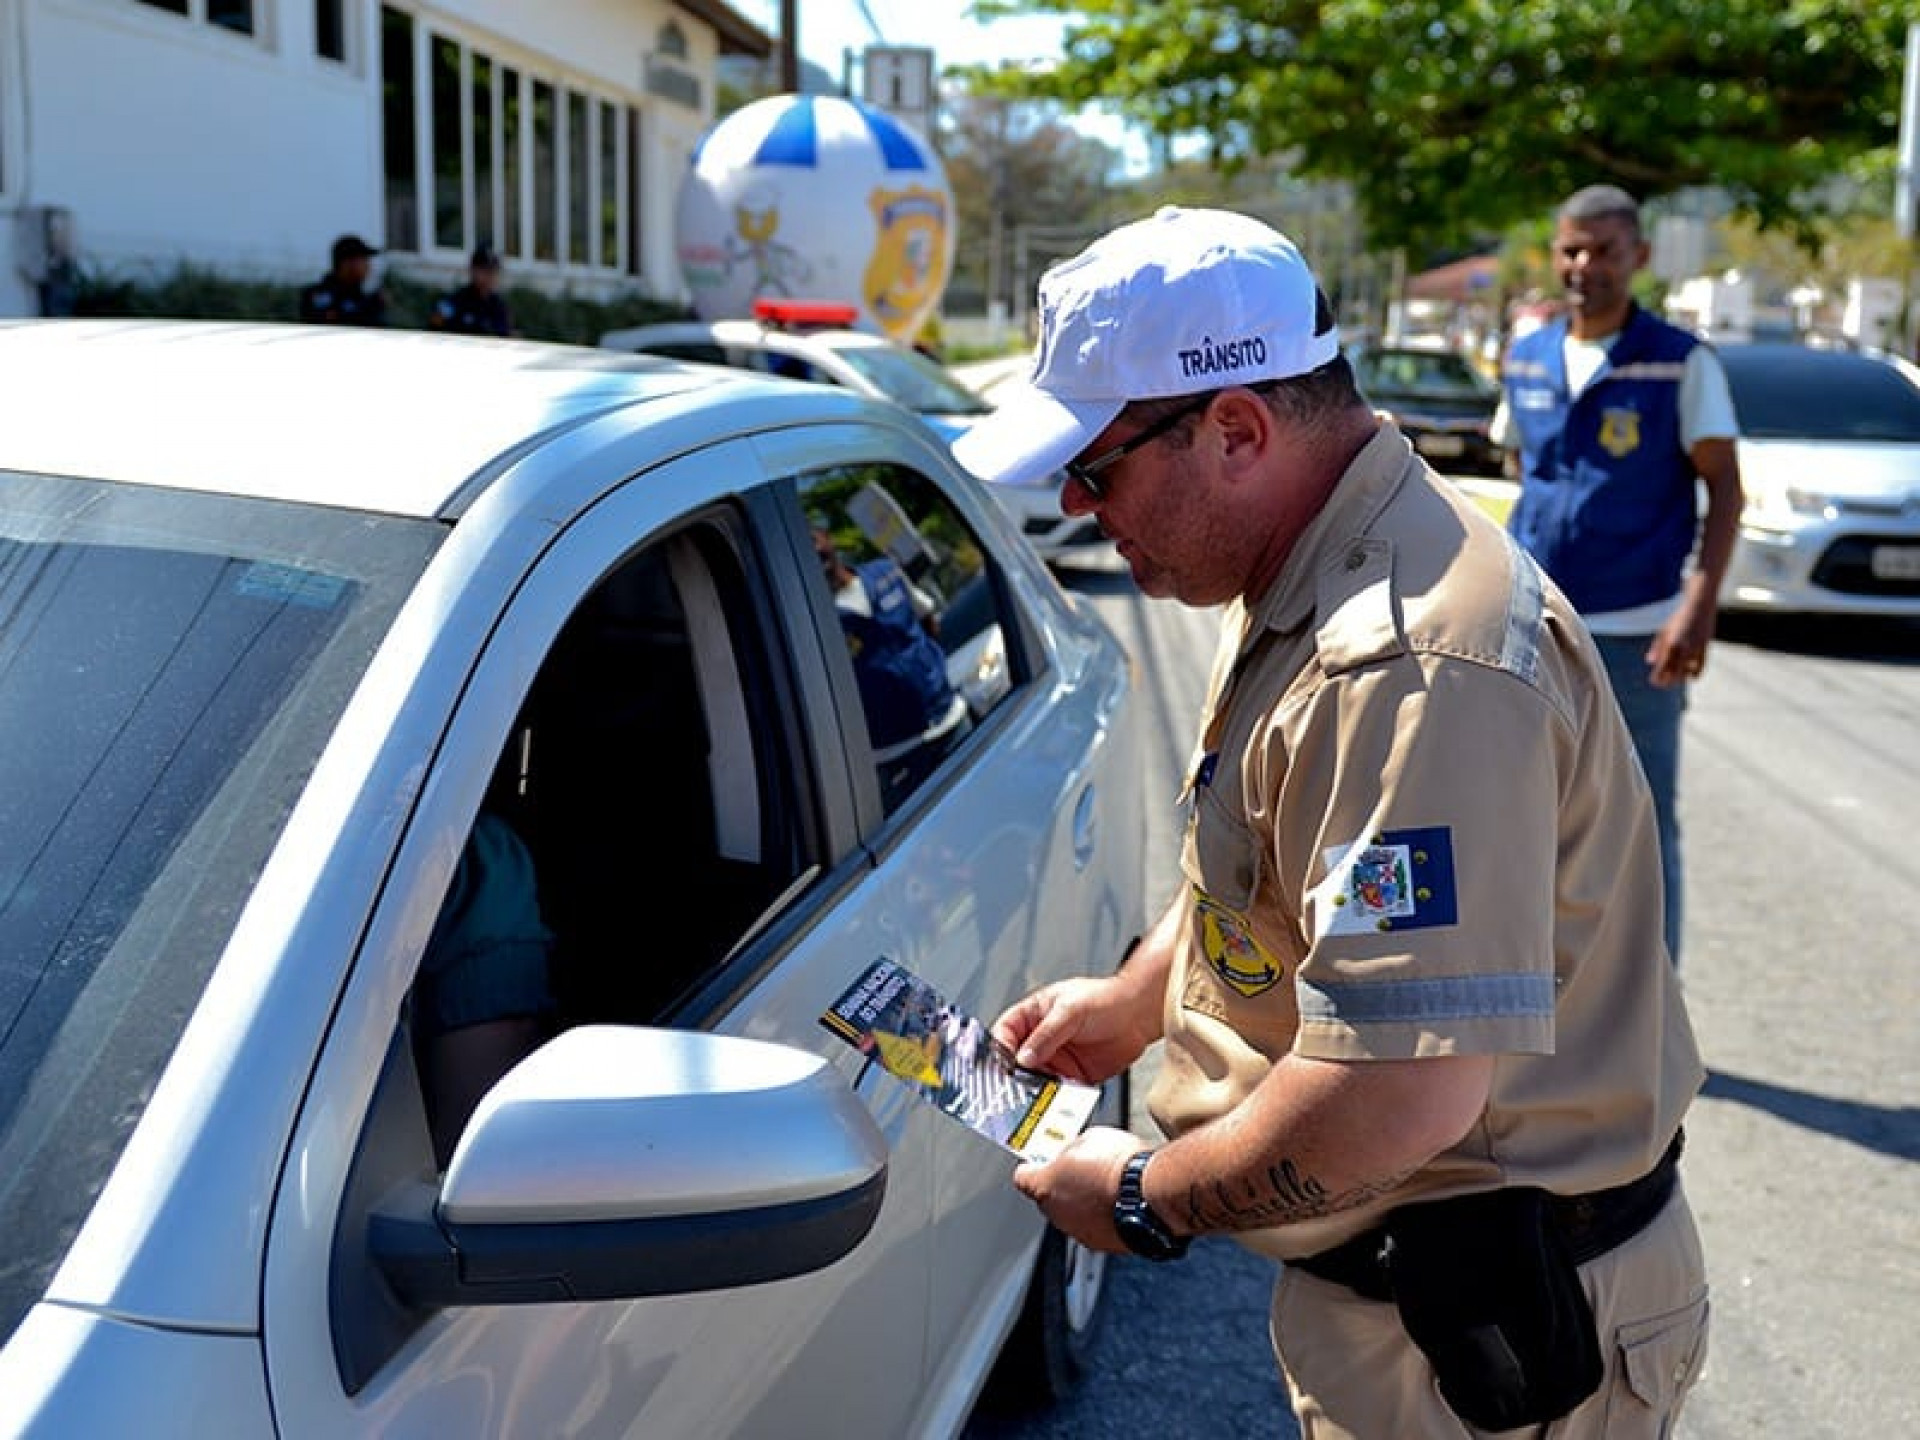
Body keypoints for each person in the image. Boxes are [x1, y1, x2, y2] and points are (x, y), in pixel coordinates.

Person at [951, 206, 1708, 1439]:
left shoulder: (1405, 660)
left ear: (1237, 427)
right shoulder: (1323, 566)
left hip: (1495, 1340)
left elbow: (1395, 1100)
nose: (1084, 510)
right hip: (1435, 1305)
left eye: (1097, 470)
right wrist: (1142, 1001)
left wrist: (1147, 1196)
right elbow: (1284, 870)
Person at [1495, 185, 1743, 965]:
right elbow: (1519, 464)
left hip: (1638, 631)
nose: (1584, 265)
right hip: (1533, 628)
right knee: (1525, 815)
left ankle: (1652, 999)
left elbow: (1726, 487)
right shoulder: (1527, 354)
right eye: (1572, 248)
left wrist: (1697, 608)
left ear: (1636, 257)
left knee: (1637, 822)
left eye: (1603, 250)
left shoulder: (1680, 362)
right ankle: (1540, 988)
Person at [812, 527, 968, 807]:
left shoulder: (886, 574)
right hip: (898, 757)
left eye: (813, 541)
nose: (813, 553)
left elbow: (927, 619)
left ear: (827, 538)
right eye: (804, 550)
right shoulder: (816, 624)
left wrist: (926, 674)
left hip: (951, 722)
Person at [298, 233, 387, 327]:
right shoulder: (315, 295)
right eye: (363, 260)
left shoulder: (368, 297)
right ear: (347, 263)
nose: (368, 266)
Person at [430, 243, 514, 337]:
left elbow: (506, 337)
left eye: (493, 272)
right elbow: (434, 332)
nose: (490, 277)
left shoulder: (499, 307)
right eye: (485, 271)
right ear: (472, 270)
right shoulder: (454, 302)